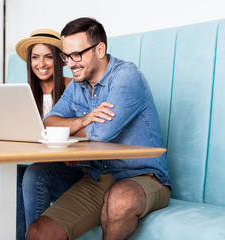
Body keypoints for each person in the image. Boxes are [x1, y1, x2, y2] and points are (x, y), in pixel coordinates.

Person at [26, 17, 172, 240]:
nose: (71, 63)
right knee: (39, 233)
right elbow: (49, 122)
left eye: (77, 55)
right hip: (98, 176)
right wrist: (83, 121)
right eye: (66, 56)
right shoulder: (77, 85)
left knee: (119, 198)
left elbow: (103, 133)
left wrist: (76, 127)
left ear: (100, 49)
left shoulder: (126, 76)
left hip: (145, 176)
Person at [15, 29, 86, 240]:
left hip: (75, 170)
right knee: (15, 174)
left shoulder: (73, 88)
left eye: (48, 57)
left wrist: (67, 147)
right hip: (45, 164)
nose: (41, 64)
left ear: (59, 60)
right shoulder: (26, 94)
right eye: (35, 57)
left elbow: (89, 128)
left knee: (35, 173)